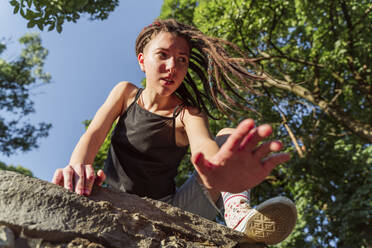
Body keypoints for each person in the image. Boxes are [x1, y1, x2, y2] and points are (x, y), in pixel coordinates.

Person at [52, 19, 297, 245]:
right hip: (113, 197)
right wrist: (76, 167)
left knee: (227, 135)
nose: (172, 67)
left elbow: (204, 146)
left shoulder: (188, 114)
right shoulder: (125, 93)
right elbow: (94, 134)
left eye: (182, 60)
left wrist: (220, 168)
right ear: (141, 60)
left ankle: (238, 214)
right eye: (163, 55)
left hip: (171, 210)